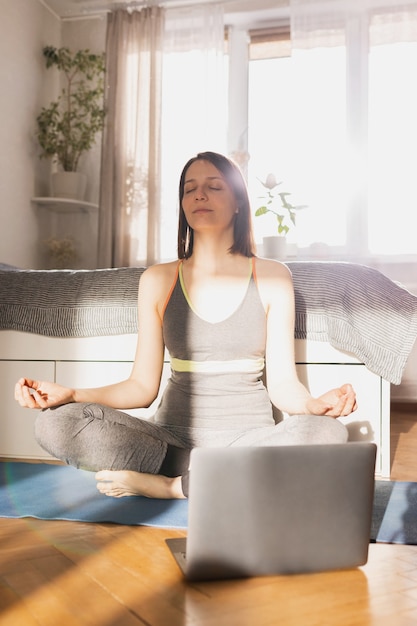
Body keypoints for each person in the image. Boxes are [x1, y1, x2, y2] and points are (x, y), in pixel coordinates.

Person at [14, 151, 357, 500]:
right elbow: (141, 387)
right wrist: (72, 395)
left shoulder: (271, 276)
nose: (199, 195)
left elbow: (283, 385)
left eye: (214, 186)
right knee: (53, 423)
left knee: (325, 433)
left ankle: (172, 487)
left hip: (248, 440)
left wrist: (314, 407)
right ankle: (219, 479)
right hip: (170, 445)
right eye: (190, 189)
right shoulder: (157, 279)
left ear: (238, 202)